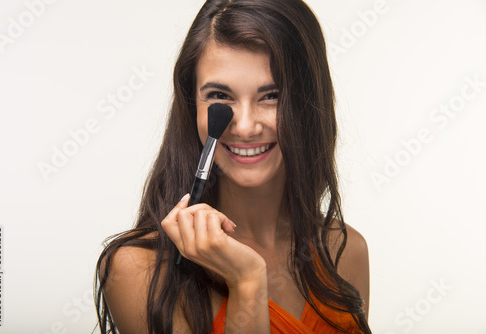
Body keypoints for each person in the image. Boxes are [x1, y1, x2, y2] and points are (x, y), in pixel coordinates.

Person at [94, 0, 371, 333]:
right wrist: (247, 283)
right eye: (220, 97)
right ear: (191, 105)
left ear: (309, 104)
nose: (244, 127)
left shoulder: (344, 250)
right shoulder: (139, 269)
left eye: (272, 96)